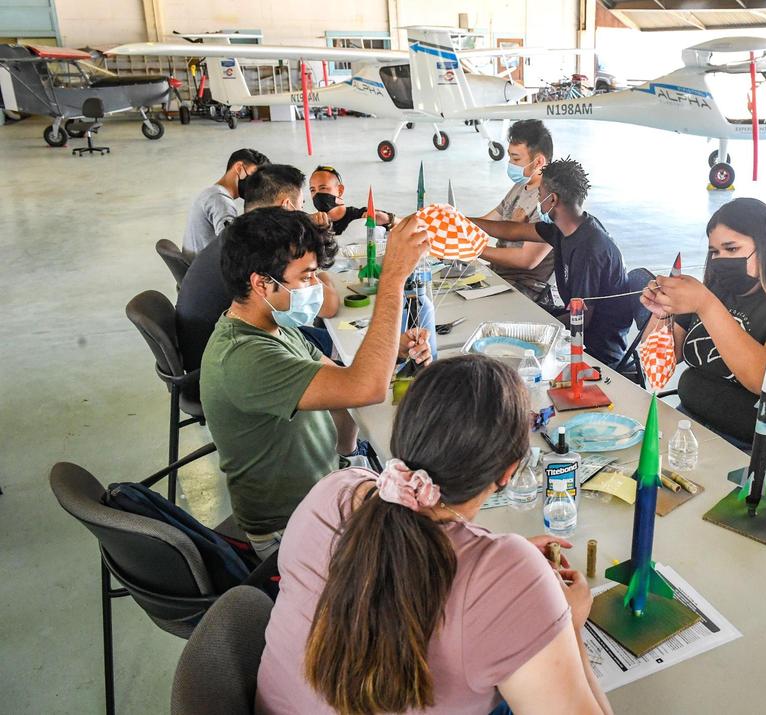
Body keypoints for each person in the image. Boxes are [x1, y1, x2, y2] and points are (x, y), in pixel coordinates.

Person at [257, 355, 612, 715]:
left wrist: (500, 566)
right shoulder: (509, 577)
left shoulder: (335, 490)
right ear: (507, 473)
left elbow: (410, 544)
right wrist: (568, 626)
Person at [200, 208, 432, 559]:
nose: (315, 288)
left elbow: (341, 380)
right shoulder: (244, 356)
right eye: (307, 277)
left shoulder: (271, 326)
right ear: (261, 282)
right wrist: (393, 279)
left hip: (327, 489)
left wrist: (393, 352)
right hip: (292, 529)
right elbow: (363, 388)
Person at [640, 198, 766, 496]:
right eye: (715, 251)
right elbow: (656, 365)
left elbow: (765, 380)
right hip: (694, 430)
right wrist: (662, 313)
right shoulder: (719, 289)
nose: (722, 260)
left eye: (732, 249)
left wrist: (706, 306)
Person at [177, 164, 341, 376]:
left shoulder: (237, 236)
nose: (303, 215)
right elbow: (330, 306)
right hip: (236, 364)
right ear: (287, 207)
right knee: (347, 349)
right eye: (300, 207)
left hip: (206, 353)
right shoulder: (265, 251)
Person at [473, 158, 632, 369]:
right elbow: (511, 230)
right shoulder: (566, 227)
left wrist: (535, 336)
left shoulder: (589, 249)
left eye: (540, 195)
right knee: (510, 319)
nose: (538, 200)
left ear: (552, 199)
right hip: (577, 323)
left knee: (509, 349)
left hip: (596, 348)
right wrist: (463, 221)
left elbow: (581, 319)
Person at [477, 120, 556, 304]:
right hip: (501, 275)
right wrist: (450, 226)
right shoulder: (521, 187)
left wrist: (475, 251)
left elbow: (527, 259)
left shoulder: (549, 201)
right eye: (510, 158)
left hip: (526, 287)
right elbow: (490, 222)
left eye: (516, 159)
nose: (511, 164)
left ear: (539, 162)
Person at [182, 148, 268, 258]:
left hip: (198, 264)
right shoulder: (220, 200)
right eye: (254, 176)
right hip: (209, 269)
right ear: (239, 168)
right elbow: (232, 247)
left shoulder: (212, 192)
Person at [308, 164, 394, 236]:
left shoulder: (362, 216)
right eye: (312, 190)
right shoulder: (311, 224)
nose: (317, 194)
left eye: (323, 188)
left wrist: (388, 219)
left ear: (340, 190)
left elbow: (402, 224)